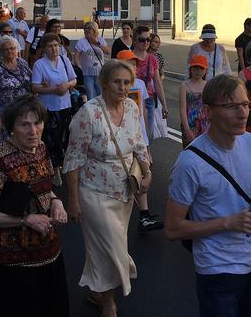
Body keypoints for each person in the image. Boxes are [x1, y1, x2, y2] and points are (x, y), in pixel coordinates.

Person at [165, 75, 251, 317]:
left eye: (245, 105)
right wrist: (229, 222)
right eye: (231, 106)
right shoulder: (190, 162)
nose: (242, 113)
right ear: (208, 111)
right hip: (217, 269)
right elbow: (173, 228)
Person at [64, 60, 152, 317]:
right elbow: (73, 158)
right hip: (94, 191)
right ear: (104, 82)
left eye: (127, 82)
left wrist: (147, 173)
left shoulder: (133, 108)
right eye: (117, 82)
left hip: (124, 192)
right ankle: (109, 303)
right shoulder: (89, 113)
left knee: (104, 247)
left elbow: (138, 145)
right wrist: (73, 200)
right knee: (113, 247)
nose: (123, 87)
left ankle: (97, 291)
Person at [0, 95, 69, 317]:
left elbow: (43, 188)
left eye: (38, 123)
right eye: (25, 124)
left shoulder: (42, 148)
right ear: (12, 128)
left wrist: (56, 201)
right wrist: (25, 220)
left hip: (48, 249)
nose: (33, 131)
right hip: (14, 259)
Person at [116, 50, 164, 232]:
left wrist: (145, 140)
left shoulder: (141, 84)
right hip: (122, 138)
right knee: (125, 177)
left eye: (135, 64)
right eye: (129, 63)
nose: (134, 67)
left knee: (141, 173)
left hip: (138, 136)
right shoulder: (114, 87)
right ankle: (123, 217)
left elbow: (142, 111)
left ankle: (143, 215)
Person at [31, 33, 77, 186]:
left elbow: (74, 79)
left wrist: (67, 86)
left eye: (56, 45)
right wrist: (52, 89)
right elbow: (34, 87)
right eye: (50, 46)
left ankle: (62, 164)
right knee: (52, 140)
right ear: (44, 48)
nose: (54, 49)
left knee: (65, 138)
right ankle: (55, 169)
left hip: (65, 106)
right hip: (49, 108)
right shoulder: (40, 64)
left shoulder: (64, 60)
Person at [0, 35, 33, 144]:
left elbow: (31, 82)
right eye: (6, 49)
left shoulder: (22, 63)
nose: (9, 51)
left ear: (17, 49)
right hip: (6, 114)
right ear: (1, 52)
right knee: (8, 145)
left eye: (12, 48)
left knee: (24, 142)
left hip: (24, 111)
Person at [132, 26, 169, 140]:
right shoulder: (128, 57)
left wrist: (164, 105)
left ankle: (147, 155)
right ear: (134, 40)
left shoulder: (152, 59)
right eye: (142, 40)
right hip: (131, 100)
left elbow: (157, 83)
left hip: (149, 100)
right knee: (132, 134)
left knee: (148, 134)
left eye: (148, 40)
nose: (146, 42)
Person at [74, 21, 109, 100]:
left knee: (101, 95)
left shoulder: (100, 40)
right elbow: (76, 57)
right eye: (85, 28)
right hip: (87, 74)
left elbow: (107, 51)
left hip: (100, 73)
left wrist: (97, 42)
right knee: (90, 95)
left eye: (89, 28)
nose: (86, 30)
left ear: (94, 29)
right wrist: (80, 69)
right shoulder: (81, 42)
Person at [179, 55, 209, 148]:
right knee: (190, 149)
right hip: (190, 123)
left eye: (201, 69)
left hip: (205, 123)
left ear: (206, 70)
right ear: (190, 69)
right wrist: (187, 130)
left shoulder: (208, 85)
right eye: (195, 68)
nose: (198, 71)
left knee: (205, 150)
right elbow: (182, 110)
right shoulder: (184, 85)